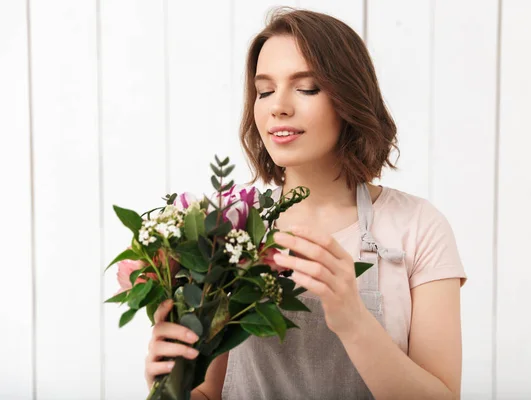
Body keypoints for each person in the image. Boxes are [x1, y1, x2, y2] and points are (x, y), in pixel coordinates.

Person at [145, 7, 467, 400]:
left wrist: (352, 320)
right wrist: (168, 383)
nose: (277, 106)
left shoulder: (418, 227)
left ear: (349, 98)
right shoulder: (226, 233)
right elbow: (208, 395)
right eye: (264, 91)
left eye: (307, 87)